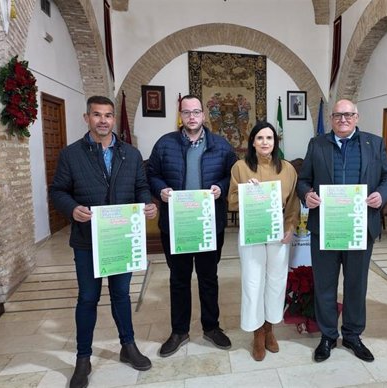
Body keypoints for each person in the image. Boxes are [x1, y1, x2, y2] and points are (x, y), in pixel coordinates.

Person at [50, 95, 157, 388]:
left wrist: (147, 204)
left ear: (113, 119)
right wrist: (71, 208)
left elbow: (141, 187)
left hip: (121, 238)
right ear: (87, 118)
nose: (103, 120)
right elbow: (58, 191)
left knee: (121, 295)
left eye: (108, 115)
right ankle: (82, 359)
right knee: (88, 298)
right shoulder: (71, 154)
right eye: (97, 115)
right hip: (87, 241)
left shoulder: (131, 154)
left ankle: (128, 346)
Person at [297, 99, 387, 363]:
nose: (343, 119)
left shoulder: (374, 143)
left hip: (360, 227)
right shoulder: (317, 144)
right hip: (326, 227)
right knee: (325, 285)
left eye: (348, 114)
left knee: (356, 285)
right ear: (331, 118)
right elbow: (303, 179)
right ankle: (328, 336)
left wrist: (381, 194)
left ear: (357, 117)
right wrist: (307, 194)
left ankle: (352, 335)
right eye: (338, 115)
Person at [147, 94, 238, 357]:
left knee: (209, 277)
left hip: (209, 222)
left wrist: (220, 188)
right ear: (180, 115)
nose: (192, 117)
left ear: (204, 114)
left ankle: (211, 327)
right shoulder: (165, 144)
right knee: (179, 278)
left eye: (196, 112)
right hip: (177, 223)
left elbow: (231, 176)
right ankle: (179, 331)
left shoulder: (221, 146)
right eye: (186, 112)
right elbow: (151, 173)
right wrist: (161, 189)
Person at [227, 121, 301, 361]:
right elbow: (231, 201)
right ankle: (257, 332)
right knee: (252, 279)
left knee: (277, 280)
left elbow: (292, 203)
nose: (265, 142)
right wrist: (247, 193)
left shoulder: (288, 169)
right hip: (252, 229)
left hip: (279, 230)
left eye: (269, 138)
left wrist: (290, 227)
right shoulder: (240, 167)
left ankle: (270, 328)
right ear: (252, 142)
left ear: (275, 142)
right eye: (260, 138)